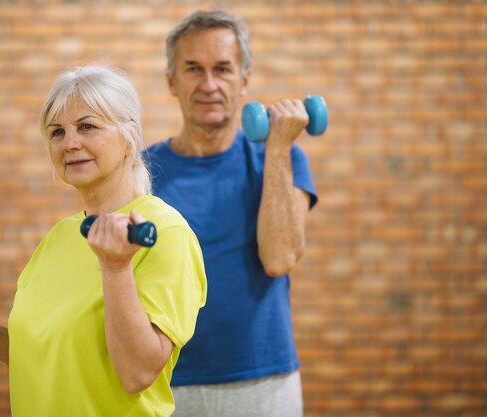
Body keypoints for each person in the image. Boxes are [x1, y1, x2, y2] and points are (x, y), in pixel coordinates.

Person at [0, 65, 207, 417]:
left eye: (87, 126)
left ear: (130, 136)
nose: (70, 143)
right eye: (57, 132)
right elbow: (38, 352)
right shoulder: (59, 237)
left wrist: (115, 266)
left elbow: (137, 373)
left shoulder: (166, 233)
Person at [144, 10, 318, 417]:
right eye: (193, 69)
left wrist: (276, 146)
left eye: (222, 69)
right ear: (172, 81)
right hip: (165, 382)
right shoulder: (140, 173)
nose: (209, 85)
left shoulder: (284, 158)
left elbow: (279, 259)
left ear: (244, 79)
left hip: (262, 382)